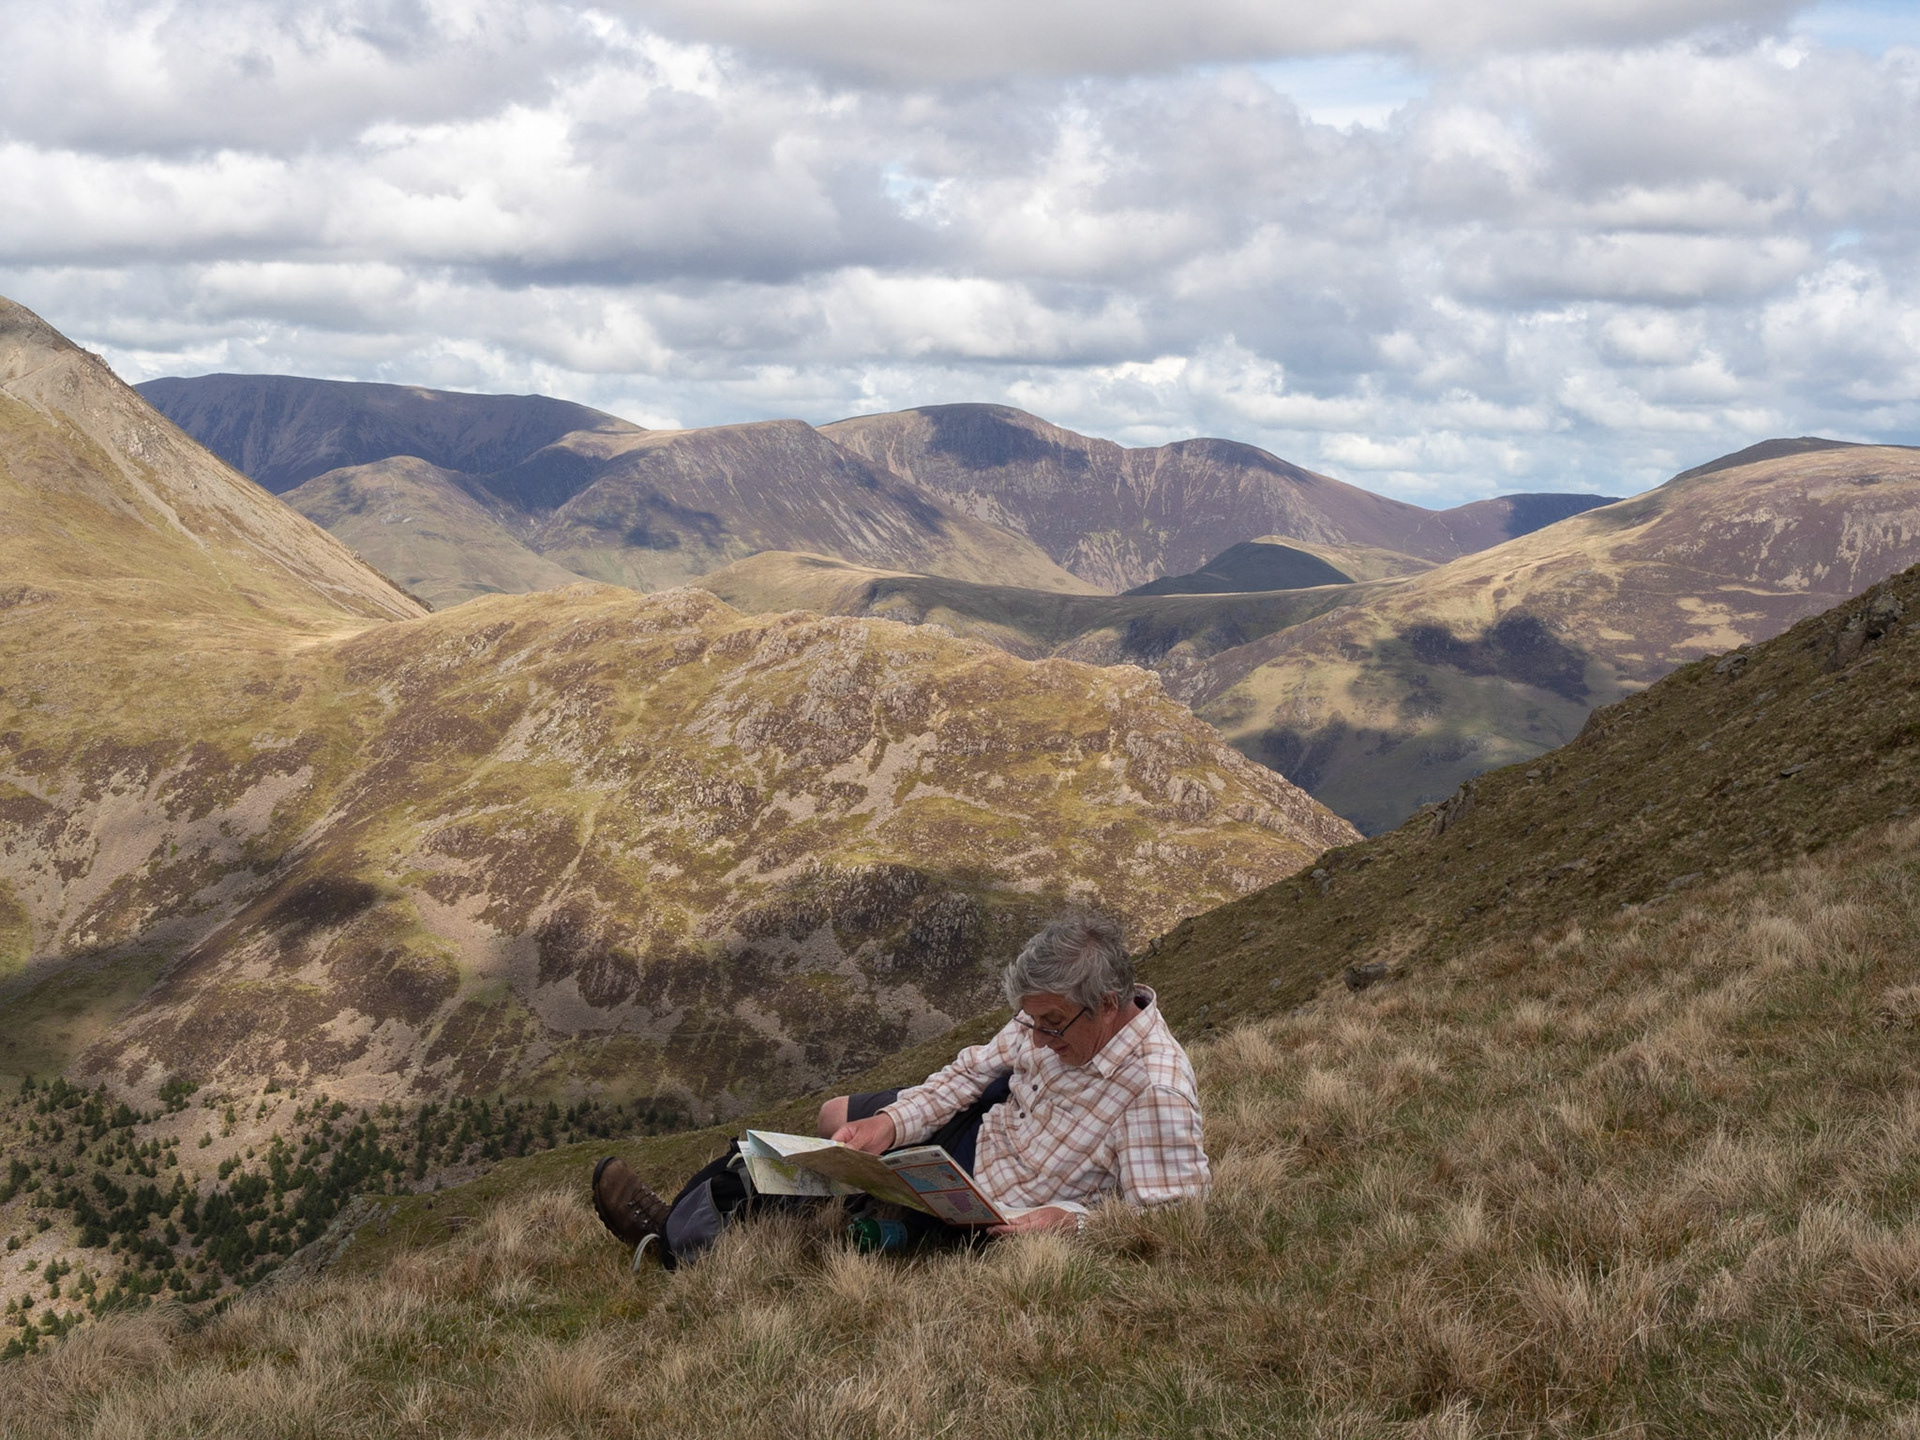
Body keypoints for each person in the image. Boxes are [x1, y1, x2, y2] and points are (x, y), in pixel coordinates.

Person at [591, 912, 1210, 1257]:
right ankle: (690, 1211)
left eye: (1053, 1026)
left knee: (801, 1187)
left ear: (1107, 1003)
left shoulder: (1154, 1089)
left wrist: (1065, 1221)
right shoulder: (1052, 1018)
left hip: (992, 1208)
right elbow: (972, 1071)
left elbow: (1170, 1222)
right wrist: (894, 1124)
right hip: (977, 1145)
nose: (1040, 1040)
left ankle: (667, 1239)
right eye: (1034, 1022)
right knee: (832, 1133)